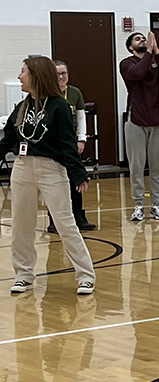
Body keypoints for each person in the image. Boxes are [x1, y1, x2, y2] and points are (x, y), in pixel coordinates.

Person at [0, 57, 95, 295]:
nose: (20, 76)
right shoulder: (22, 107)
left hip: (51, 169)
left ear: (36, 76)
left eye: (23, 72)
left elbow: (67, 143)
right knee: (21, 225)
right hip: (22, 168)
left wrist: (78, 173)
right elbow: (8, 140)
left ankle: (85, 276)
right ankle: (24, 275)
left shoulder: (59, 106)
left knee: (65, 224)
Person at [120, 31, 159, 221]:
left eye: (144, 38)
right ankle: (138, 205)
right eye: (137, 39)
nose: (142, 40)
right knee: (136, 166)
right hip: (136, 119)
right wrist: (149, 54)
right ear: (130, 47)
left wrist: (157, 52)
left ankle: (156, 205)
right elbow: (138, 74)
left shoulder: (157, 61)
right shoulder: (127, 64)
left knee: (157, 166)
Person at [46, 60, 95, 232]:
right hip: (52, 146)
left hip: (71, 144)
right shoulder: (47, 93)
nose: (61, 77)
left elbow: (81, 117)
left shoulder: (74, 93)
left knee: (76, 179)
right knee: (55, 183)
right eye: (57, 74)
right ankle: (53, 219)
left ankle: (79, 216)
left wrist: (81, 139)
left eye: (64, 73)